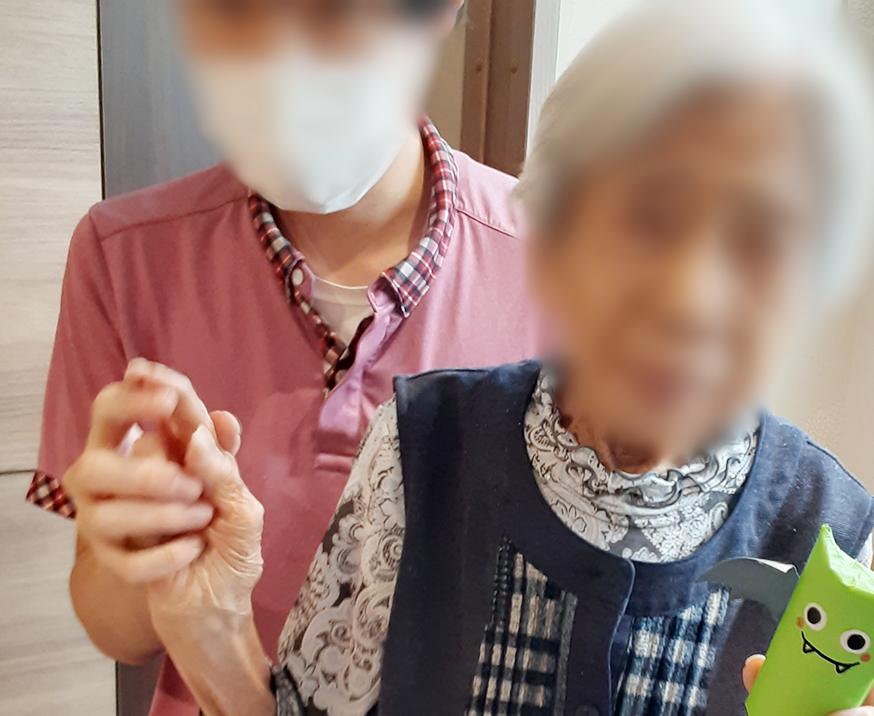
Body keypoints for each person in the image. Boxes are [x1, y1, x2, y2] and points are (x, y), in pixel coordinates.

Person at [73, 2, 874, 716]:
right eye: (646, 221)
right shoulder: (428, 441)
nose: (692, 295)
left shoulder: (822, 522)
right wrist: (208, 629)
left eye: (763, 242)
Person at [26, 1, 545, 714]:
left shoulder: (564, 264)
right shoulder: (123, 256)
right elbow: (116, 631)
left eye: (331, 12)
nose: (279, 57)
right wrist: (143, 547)